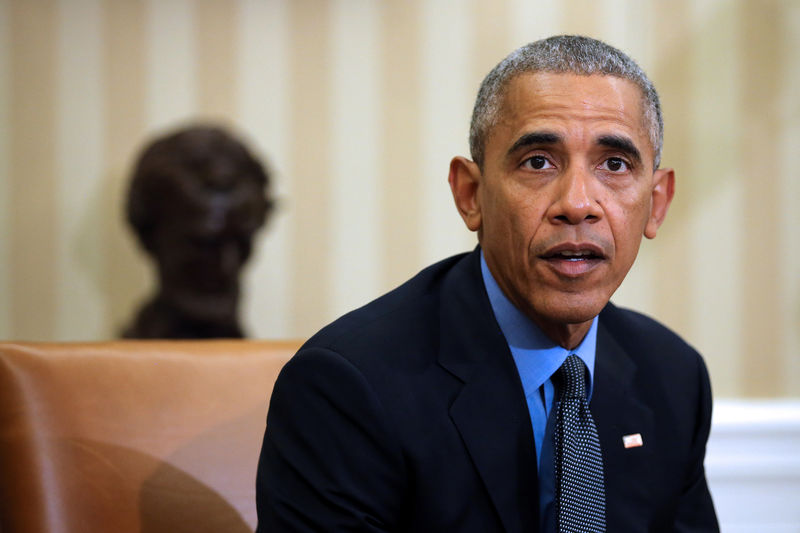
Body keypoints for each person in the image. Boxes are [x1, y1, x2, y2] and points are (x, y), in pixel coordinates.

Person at [256, 35, 719, 532]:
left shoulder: (672, 377)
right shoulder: (349, 387)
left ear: (657, 201)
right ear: (470, 194)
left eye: (614, 164)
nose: (578, 202)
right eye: (538, 161)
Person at [122, 125, 273, 339]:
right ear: (148, 236)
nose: (226, 265)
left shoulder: (283, 367)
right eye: (204, 245)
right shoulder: (113, 369)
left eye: (242, 242)